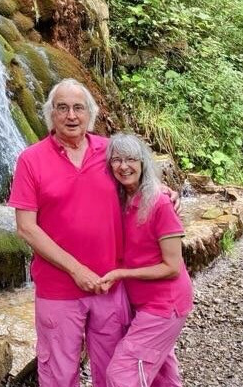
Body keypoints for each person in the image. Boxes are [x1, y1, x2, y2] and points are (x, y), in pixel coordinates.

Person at [7, 78, 131, 387]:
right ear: (51, 114)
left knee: (114, 372)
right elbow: (26, 227)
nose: (71, 116)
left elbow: (140, 189)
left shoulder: (111, 152)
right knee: (59, 376)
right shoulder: (31, 159)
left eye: (78, 108)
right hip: (58, 291)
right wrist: (76, 269)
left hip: (109, 285)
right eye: (62, 108)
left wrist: (166, 194)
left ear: (90, 113)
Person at [99, 133, 193, 387]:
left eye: (131, 159)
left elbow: (172, 267)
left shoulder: (160, 203)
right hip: (144, 304)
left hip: (164, 304)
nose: (124, 166)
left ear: (143, 164)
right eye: (117, 160)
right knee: (161, 374)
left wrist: (121, 274)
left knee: (123, 374)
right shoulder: (121, 200)